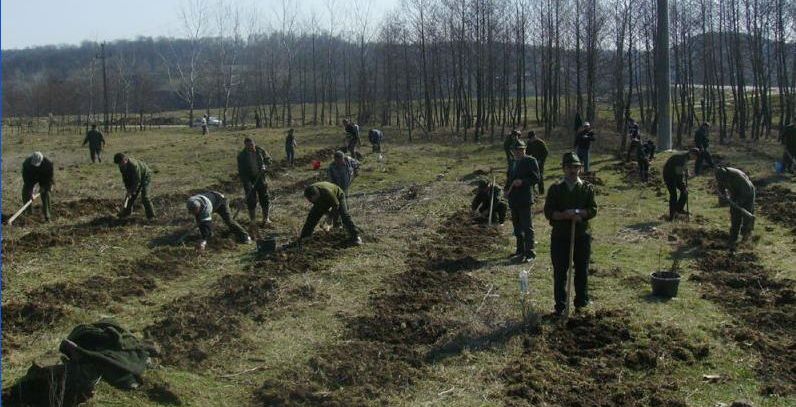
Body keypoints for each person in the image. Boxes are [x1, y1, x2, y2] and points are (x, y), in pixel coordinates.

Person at [543, 152, 598, 316]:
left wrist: (580, 213)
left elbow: (593, 209)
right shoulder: (556, 189)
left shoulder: (587, 188)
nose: (573, 170)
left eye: (576, 167)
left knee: (582, 270)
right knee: (560, 272)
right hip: (560, 237)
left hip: (581, 236)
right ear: (563, 169)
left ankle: (581, 304)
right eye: (569, 167)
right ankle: (560, 306)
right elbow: (548, 212)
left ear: (580, 168)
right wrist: (564, 215)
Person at [504, 140, 540, 262]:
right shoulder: (513, 162)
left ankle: (530, 252)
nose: (518, 152)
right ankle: (520, 250)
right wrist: (506, 189)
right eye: (515, 150)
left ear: (524, 149)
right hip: (513, 199)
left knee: (527, 226)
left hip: (524, 198)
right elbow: (509, 178)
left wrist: (523, 182)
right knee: (517, 227)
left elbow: (536, 178)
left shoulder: (530, 161)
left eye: (520, 149)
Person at [186, 191, 251, 251]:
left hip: (221, 202)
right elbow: (200, 222)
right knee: (200, 222)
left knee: (229, 221)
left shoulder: (206, 209)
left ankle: (245, 237)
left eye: (195, 212)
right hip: (211, 199)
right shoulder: (190, 202)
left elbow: (207, 224)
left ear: (199, 208)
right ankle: (210, 239)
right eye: (192, 212)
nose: (193, 214)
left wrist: (203, 241)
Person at [714, 167, 755, 247]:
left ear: (727, 175)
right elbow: (721, 188)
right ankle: (733, 237)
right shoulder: (721, 177)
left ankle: (746, 236)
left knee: (747, 216)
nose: (722, 182)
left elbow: (746, 192)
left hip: (748, 194)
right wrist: (722, 201)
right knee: (734, 215)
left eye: (724, 180)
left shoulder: (738, 177)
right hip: (735, 194)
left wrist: (738, 203)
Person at [237, 138, 272, 225]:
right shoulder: (241, 156)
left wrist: (265, 165)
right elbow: (242, 172)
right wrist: (247, 183)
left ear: (254, 143)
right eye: (249, 146)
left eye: (252, 145)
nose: (251, 147)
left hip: (260, 178)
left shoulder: (260, 150)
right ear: (245, 146)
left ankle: (266, 218)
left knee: (264, 198)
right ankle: (253, 220)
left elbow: (268, 159)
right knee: (251, 200)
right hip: (249, 179)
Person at [114, 153, 155, 220]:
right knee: (129, 197)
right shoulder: (121, 166)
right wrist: (128, 190)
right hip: (135, 178)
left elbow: (137, 181)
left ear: (125, 159)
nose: (120, 165)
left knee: (145, 197)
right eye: (119, 164)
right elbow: (125, 179)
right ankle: (126, 213)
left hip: (145, 176)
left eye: (121, 163)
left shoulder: (134, 165)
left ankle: (151, 216)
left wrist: (132, 191)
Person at [662, 148, 700, 221]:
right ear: (691, 153)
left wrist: (687, 172)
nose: (694, 159)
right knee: (673, 195)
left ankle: (679, 209)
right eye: (695, 157)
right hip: (669, 176)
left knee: (685, 192)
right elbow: (678, 175)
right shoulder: (681, 158)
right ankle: (672, 215)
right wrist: (683, 182)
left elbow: (683, 167)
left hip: (675, 174)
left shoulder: (686, 157)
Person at [21, 152, 55, 221]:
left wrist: (45, 187)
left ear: (41, 160)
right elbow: (27, 180)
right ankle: (28, 213)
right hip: (32, 176)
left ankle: (47, 216)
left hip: (44, 178)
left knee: (46, 193)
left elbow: (49, 178)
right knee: (26, 191)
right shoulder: (26, 164)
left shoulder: (48, 164)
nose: (36, 166)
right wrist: (31, 192)